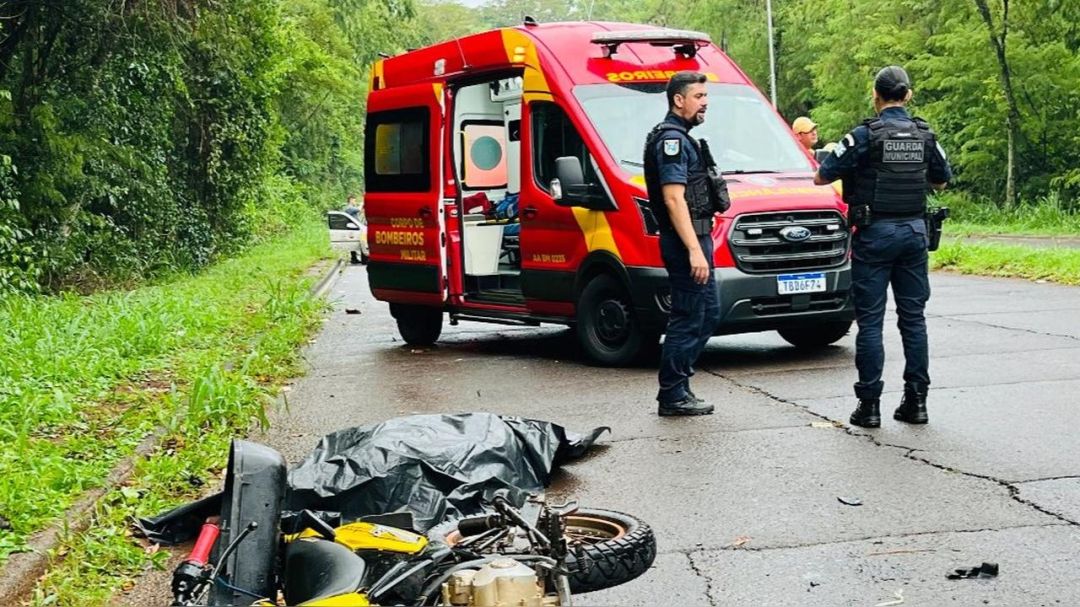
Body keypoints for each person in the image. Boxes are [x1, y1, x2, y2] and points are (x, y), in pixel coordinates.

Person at [814, 65, 952, 428]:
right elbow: (941, 182)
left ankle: (869, 406)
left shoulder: (863, 135)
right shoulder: (925, 135)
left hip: (874, 234)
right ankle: (917, 402)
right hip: (914, 233)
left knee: (871, 321)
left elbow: (821, 175)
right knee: (913, 319)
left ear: (876, 96)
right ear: (908, 95)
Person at [643, 71, 730, 417]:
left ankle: (679, 386)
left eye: (706, 96)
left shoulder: (683, 138)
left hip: (695, 237)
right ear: (679, 100)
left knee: (707, 313)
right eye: (699, 96)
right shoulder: (671, 141)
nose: (705, 103)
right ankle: (672, 394)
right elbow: (674, 199)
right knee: (689, 315)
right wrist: (694, 249)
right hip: (686, 242)